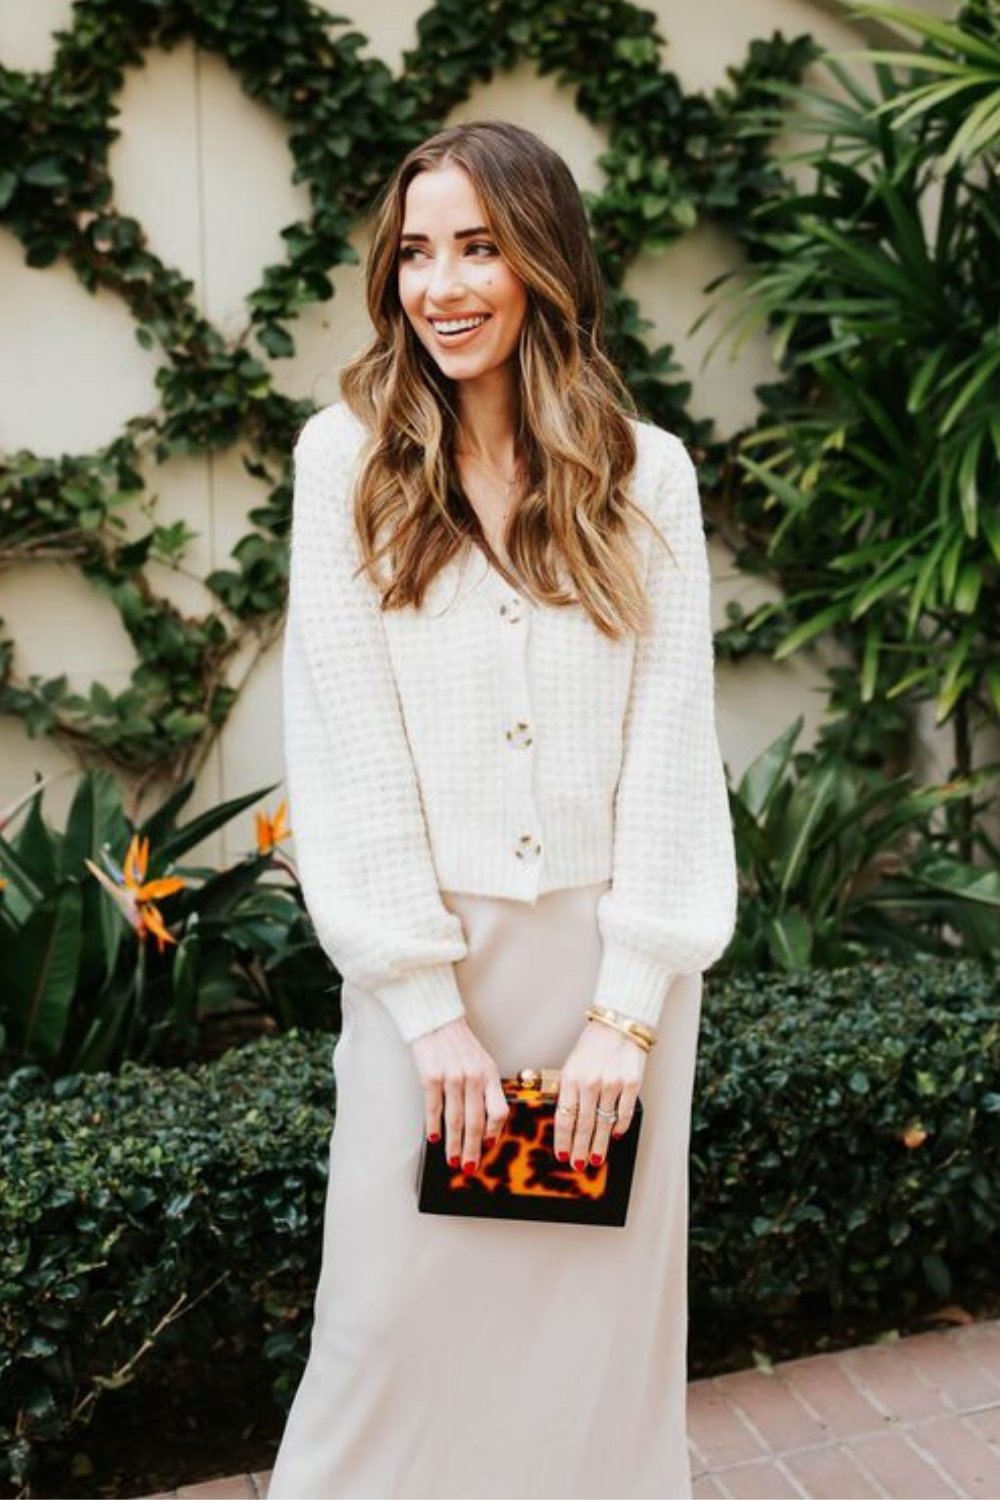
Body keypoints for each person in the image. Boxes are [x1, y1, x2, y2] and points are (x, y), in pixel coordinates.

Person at [266, 118, 737, 1500]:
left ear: (543, 262)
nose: (443, 284)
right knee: (385, 1336)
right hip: (429, 969)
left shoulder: (645, 474)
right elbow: (344, 749)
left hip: (607, 979)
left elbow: (671, 745)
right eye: (416, 252)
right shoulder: (341, 463)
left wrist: (628, 1011)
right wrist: (426, 1008)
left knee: (595, 1352)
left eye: (478, 247)